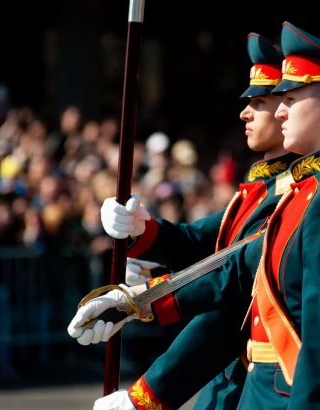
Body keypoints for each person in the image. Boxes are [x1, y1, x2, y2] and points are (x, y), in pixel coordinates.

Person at [71, 21, 320, 409]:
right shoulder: (311, 188)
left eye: (291, 98)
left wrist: (145, 395)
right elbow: (238, 265)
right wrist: (139, 295)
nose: (280, 111)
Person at [68, 33, 301, 410]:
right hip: (230, 379)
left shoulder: (293, 194)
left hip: (264, 384)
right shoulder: (267, 185)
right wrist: (140, 229)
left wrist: (148, 391)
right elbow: (202, 242)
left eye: (260, 102)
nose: (244, 112)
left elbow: (232, 290)